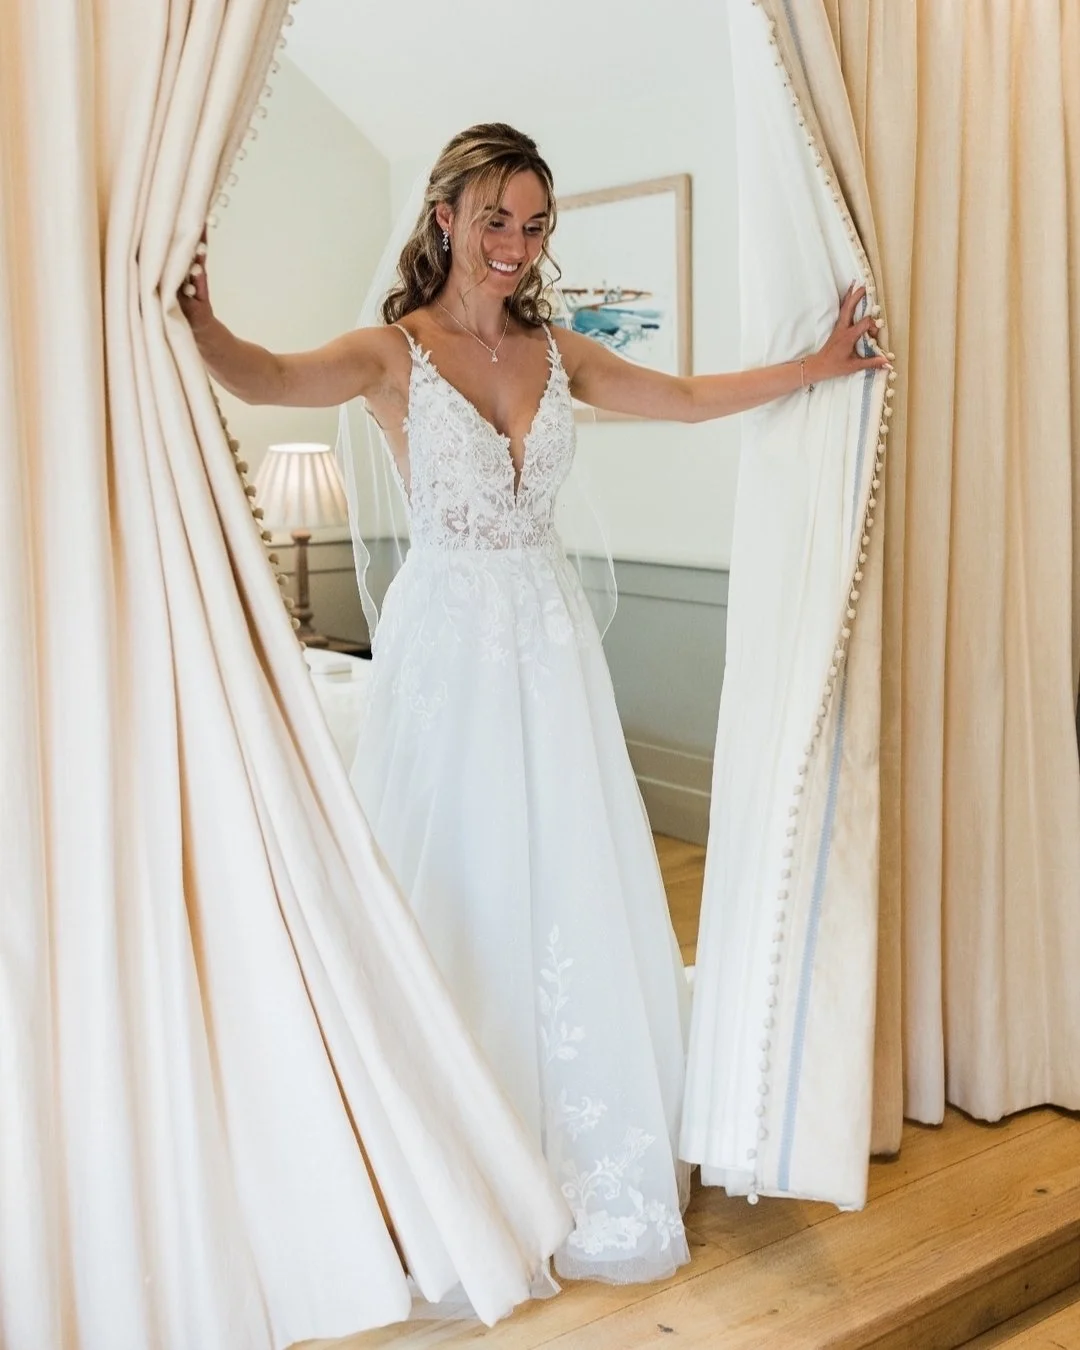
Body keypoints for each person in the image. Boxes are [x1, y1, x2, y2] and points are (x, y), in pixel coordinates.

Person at [181, 121, 886, 1284]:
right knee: (455, 881)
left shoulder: (559, 353)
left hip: (552, 661)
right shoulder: (389, 353)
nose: (515, 243)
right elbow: (271, 377)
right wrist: (203, 326)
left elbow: (692, 393)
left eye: (535, 223)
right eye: (497, 218)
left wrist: (819, 364)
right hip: (448, 657)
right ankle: (449, 1146)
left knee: (571, 881)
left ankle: (584, 1137)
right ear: (446, 215)